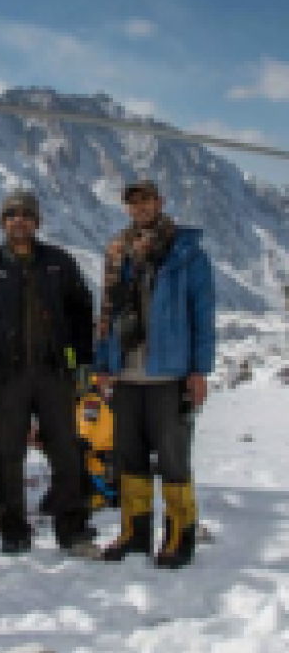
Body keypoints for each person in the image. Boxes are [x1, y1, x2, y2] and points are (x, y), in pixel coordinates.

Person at [0, 189, 96, 556]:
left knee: (65, 453)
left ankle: (72, 529)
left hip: (54, 375)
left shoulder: (59, 263)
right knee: (7, 455)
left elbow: (82, 312)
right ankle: (13, 530)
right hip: (6, 376)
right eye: (12, 214)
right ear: (3, 222)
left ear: (37, 221)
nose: (20, 220)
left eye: (27, 214)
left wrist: (83, 362)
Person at [95, 179, 215, 569]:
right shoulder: (118, 252)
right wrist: (102, 364)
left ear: (160, 203)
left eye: (147, 200)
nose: (141, 207)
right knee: (129, 459)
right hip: (127, 376)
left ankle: (180, 534)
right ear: (128, 207)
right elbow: (106, 315)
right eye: (134, 202)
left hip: (169, 375)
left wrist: (199, 370)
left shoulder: (186, 254)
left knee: (174, 460)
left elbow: (203, 316)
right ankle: (135, 532)